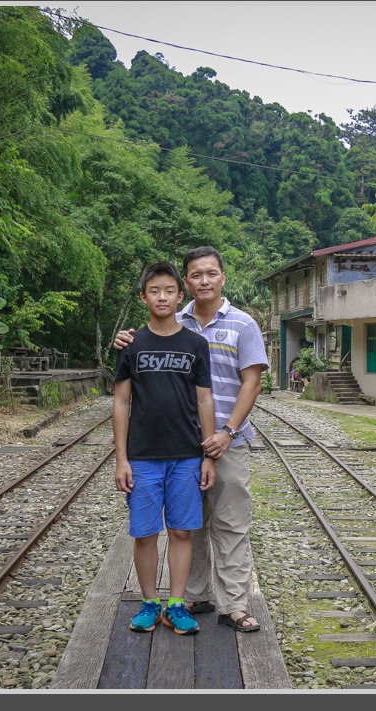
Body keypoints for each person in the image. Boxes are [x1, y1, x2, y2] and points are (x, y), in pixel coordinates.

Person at [115, 246, 267, 632]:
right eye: (196, 275)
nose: (204, 280)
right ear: (186, 284)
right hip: (179, 445)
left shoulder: (242, 324)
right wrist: (122, 340)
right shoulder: (169, 322)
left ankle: (233, 604)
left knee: (230, 523)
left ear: (222, 278)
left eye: (211, 273)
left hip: (226, 440)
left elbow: (252, 381)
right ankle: (193, 594)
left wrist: (226, 433)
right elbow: (127, 388)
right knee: (190, 525)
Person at [113, 261, 216, 635]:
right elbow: (121, 403)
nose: (162, 297)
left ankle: (176, 604)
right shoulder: (131, 344)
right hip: (142, 457)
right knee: (144, 532)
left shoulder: (195, 344)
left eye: (169, 290)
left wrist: (207, 455)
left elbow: (205, 401)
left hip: (187, 455)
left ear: (180, 295)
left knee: (181, 531)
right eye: (154, 291)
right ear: (144, 297)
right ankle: (148, 602)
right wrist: (121, 459)